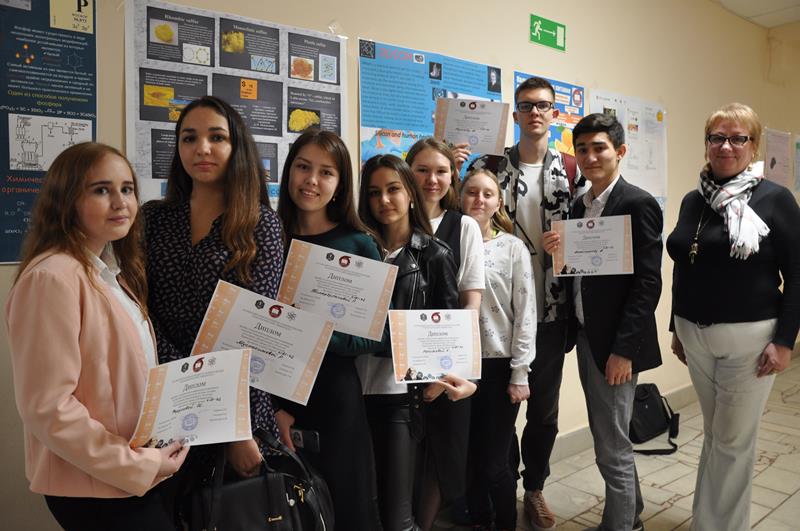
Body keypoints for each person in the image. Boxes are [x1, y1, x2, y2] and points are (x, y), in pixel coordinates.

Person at [6, 142, 189, 531]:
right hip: (98, 487)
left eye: (127, 189)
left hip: (131, 476)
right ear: (67, 200)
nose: (120, 202)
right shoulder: (52, 278)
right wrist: (136, 464)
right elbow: (48, 407)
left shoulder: (110, 273)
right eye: (101, 190)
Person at [142, 96, 285, 519]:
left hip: (236, 410)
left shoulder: (260, 224)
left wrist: (234, 429)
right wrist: (180, 377)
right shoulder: (153, 218)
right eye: (189, 138)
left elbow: (255, 335)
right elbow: (138, 309)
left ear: (236, 146)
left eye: (216, 137)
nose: (201, 148)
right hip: (164, 399)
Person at [667, 103, 800, 531]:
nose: (726, 146)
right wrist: (675, 327)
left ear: (753, 146)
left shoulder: (775, 199)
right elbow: (684, 264)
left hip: (751, 342)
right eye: (717, 137)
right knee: (717, 435)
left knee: (732, 442)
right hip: (694, 335)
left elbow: (798, 274)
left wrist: (785, 341)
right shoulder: (694, 200)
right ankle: (709, 519)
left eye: (738, 138)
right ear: (706, 143)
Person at [469, 76, 583, 531]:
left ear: (554, 113)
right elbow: (462, 216)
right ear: (515, 113)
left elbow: (593, 233)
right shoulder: (490, 165)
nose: (535, 112)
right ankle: (503, 488)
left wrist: (570, 247)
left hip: (552, 311)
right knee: (501, 412)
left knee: (544, 412)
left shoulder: (572, 169)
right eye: (526, 105)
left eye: (543, 105)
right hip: (499, 313)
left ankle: (534, 488)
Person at [543, 113, 662, 531]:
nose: (590, 157)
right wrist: (558, 251)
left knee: (611, 448)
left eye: (600, 148)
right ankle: (633, 514)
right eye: (583, 149)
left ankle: (621, 525)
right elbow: (584, 273)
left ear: (620, 152)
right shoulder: (580, 205)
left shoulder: (637, 203)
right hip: (586, 335)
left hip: (615, 346)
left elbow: (648, 284)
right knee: (610, 437)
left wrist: (624, 351)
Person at [277, 128, 385, 530]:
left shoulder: (359, 244)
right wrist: (275, 407)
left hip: (335, 396)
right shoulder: (268, 236)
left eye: (326, 172)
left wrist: (309, 331)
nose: (312, 180)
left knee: (348, 506)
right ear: (289, 171)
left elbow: (374, 335)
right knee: (286, 510)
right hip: (275, 394)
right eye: (303, 167)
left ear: (340, 184)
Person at [356, 153, 463, 531]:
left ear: (411, 195)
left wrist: (438, 379)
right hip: (352, 392)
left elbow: (448, 326)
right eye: (374, 193)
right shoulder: (357, 249)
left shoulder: (435, 254)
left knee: (398, 515)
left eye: (393, 189)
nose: (384, 200)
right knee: (363, 507)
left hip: (400, 397)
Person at [405, 137, 485, 530]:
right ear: (407, 172)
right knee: (403, 455)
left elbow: (471, 300)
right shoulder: (389, 219)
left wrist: (447, 370)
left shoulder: (463, 226)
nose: (431, 179)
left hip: (447, 363)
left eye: (441, 171)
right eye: (422, 170)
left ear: (453, 176)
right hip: (397, 362)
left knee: (442, 457)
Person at [461, 168, 536, 531]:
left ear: (498, 202)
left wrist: (520, 372)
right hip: (458, 364)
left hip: (498, 365)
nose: (479, 199)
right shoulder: (448, 243)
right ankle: (480, 519)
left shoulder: (512, 248)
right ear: (459, 197)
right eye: (471, 192)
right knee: (469, 456)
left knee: (494, 463)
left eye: (487, 194)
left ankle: (506, 522)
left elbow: (526, 313)